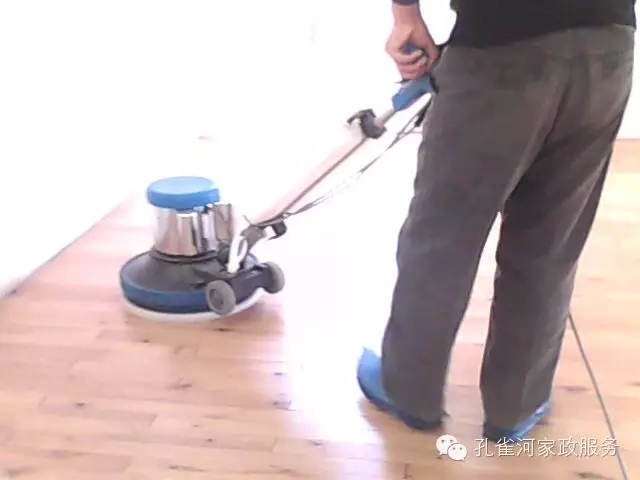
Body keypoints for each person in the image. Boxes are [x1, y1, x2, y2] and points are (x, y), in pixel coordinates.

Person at [357, 0, 635, 442]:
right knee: (550, 240)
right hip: (607, 45)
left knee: (443, 236)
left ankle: (409, 389)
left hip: (499, 46)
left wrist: (406, 15)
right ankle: (517, 404)